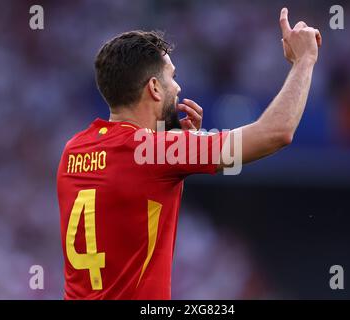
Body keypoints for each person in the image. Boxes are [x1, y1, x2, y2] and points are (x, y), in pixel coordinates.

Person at [56, 8, 321, 299]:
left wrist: (181, 146)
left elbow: (132, 178)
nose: (178, 86)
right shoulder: (156, 152)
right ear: (154, 87)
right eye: (172, 76)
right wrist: (304, 60)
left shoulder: (74, 149)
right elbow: (275, 133)